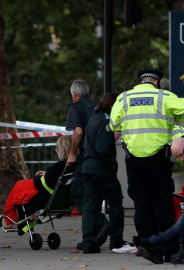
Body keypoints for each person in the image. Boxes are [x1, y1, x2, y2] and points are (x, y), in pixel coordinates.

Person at [109, 70, 184, 242]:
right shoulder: (164, 97)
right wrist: (172, 117)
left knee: (141, 201)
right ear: (156, 83)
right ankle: (165, 241)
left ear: (141, 81)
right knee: (163, 199)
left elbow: (113, 125)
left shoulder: (124, 98)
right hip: (159, 158)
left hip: (133, 158)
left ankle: (145, 241)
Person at [81, 93, 136, 254]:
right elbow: (103, 148)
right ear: (113, 106)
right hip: (103, 171)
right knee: (116, 205)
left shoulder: (93, 119)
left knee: (91, 206)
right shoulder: (106, 121)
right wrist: (112, 163)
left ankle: (88, 242)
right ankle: (116, 241)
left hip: (88, 169)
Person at [65, 79, 109, 250]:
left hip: (87, 157)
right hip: (103, 157)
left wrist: (73, 153)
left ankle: (98, 224)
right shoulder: (98, 107)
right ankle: (96, 232)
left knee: (78, 191)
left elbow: (78, 131)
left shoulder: (75, 107)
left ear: (74, 95)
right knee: (95, 194)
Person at [2, 136, 75, 231]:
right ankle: (27, 223)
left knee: (23, 198)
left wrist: (40, 177)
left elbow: (40, 184)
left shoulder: (56, 168)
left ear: (61, 150)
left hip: (49, 200)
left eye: (57, 148)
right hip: (64, 201)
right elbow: (56, 179)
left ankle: (21, 224)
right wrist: (47, 174)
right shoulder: (75, 167)